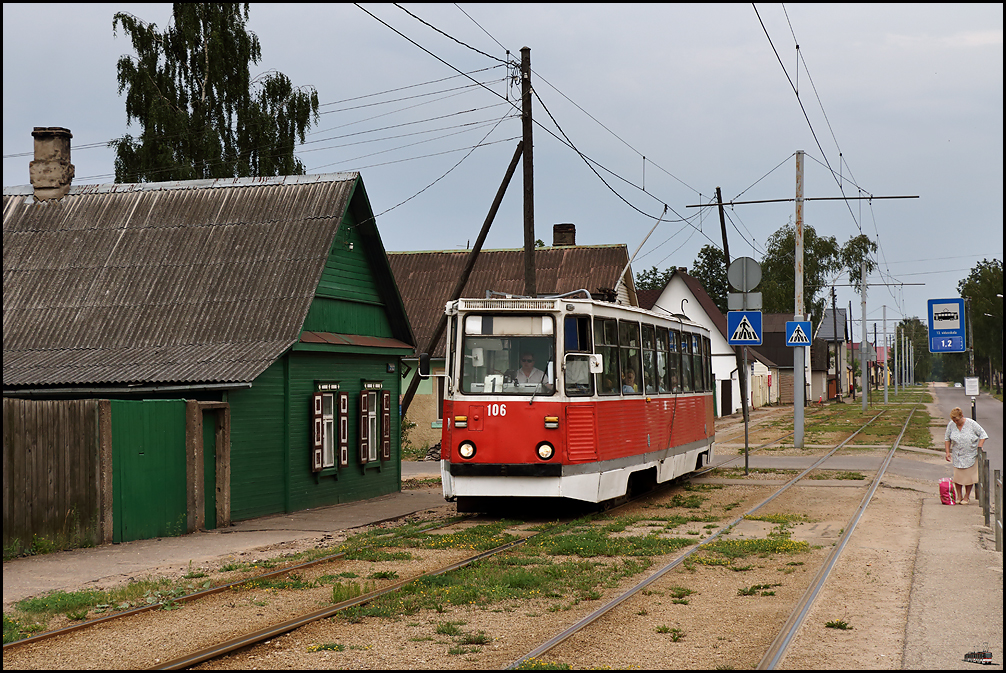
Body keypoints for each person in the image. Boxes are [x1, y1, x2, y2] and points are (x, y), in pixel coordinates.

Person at [944, 406, 987, 505]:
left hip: (970, 454)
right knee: (957, 477)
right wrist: (947, 452)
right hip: (957, 454)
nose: (955, 422)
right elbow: (947, 438)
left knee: (968, 477)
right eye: (953, 420)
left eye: (957, 420)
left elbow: (983, 435)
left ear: (962, 416)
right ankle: (959, 495)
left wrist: (979, 447)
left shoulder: (972, 424)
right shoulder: (951, 425)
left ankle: (967, 496)